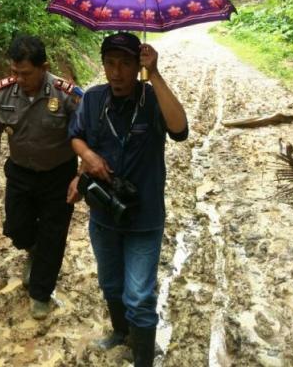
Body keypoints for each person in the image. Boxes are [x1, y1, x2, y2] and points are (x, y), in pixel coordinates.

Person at [67, 33, 188, 367]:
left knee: (139, 296)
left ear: (137, 66)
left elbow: (180, 130)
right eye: (110, 63)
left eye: (125, 64)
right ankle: (121, 333)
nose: (116, 72)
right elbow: (76, 136)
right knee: (110, 283)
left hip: (143, 215)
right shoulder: (93, 99)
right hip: (103, 213)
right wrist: (88, 157)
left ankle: (143, 359)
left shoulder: (152, 99)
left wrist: (156, 74)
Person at [0, 34, 82, 320]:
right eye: (14, 71)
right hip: (20, 173)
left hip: (58, 176)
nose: (18, 78)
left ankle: (40, 292)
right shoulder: (3, 92)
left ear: (44, 67)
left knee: (53, 235)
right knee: (16, 228)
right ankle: (33, 249)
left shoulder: (67, 95)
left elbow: (87, 136)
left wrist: (81, 176)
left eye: (25, 73)